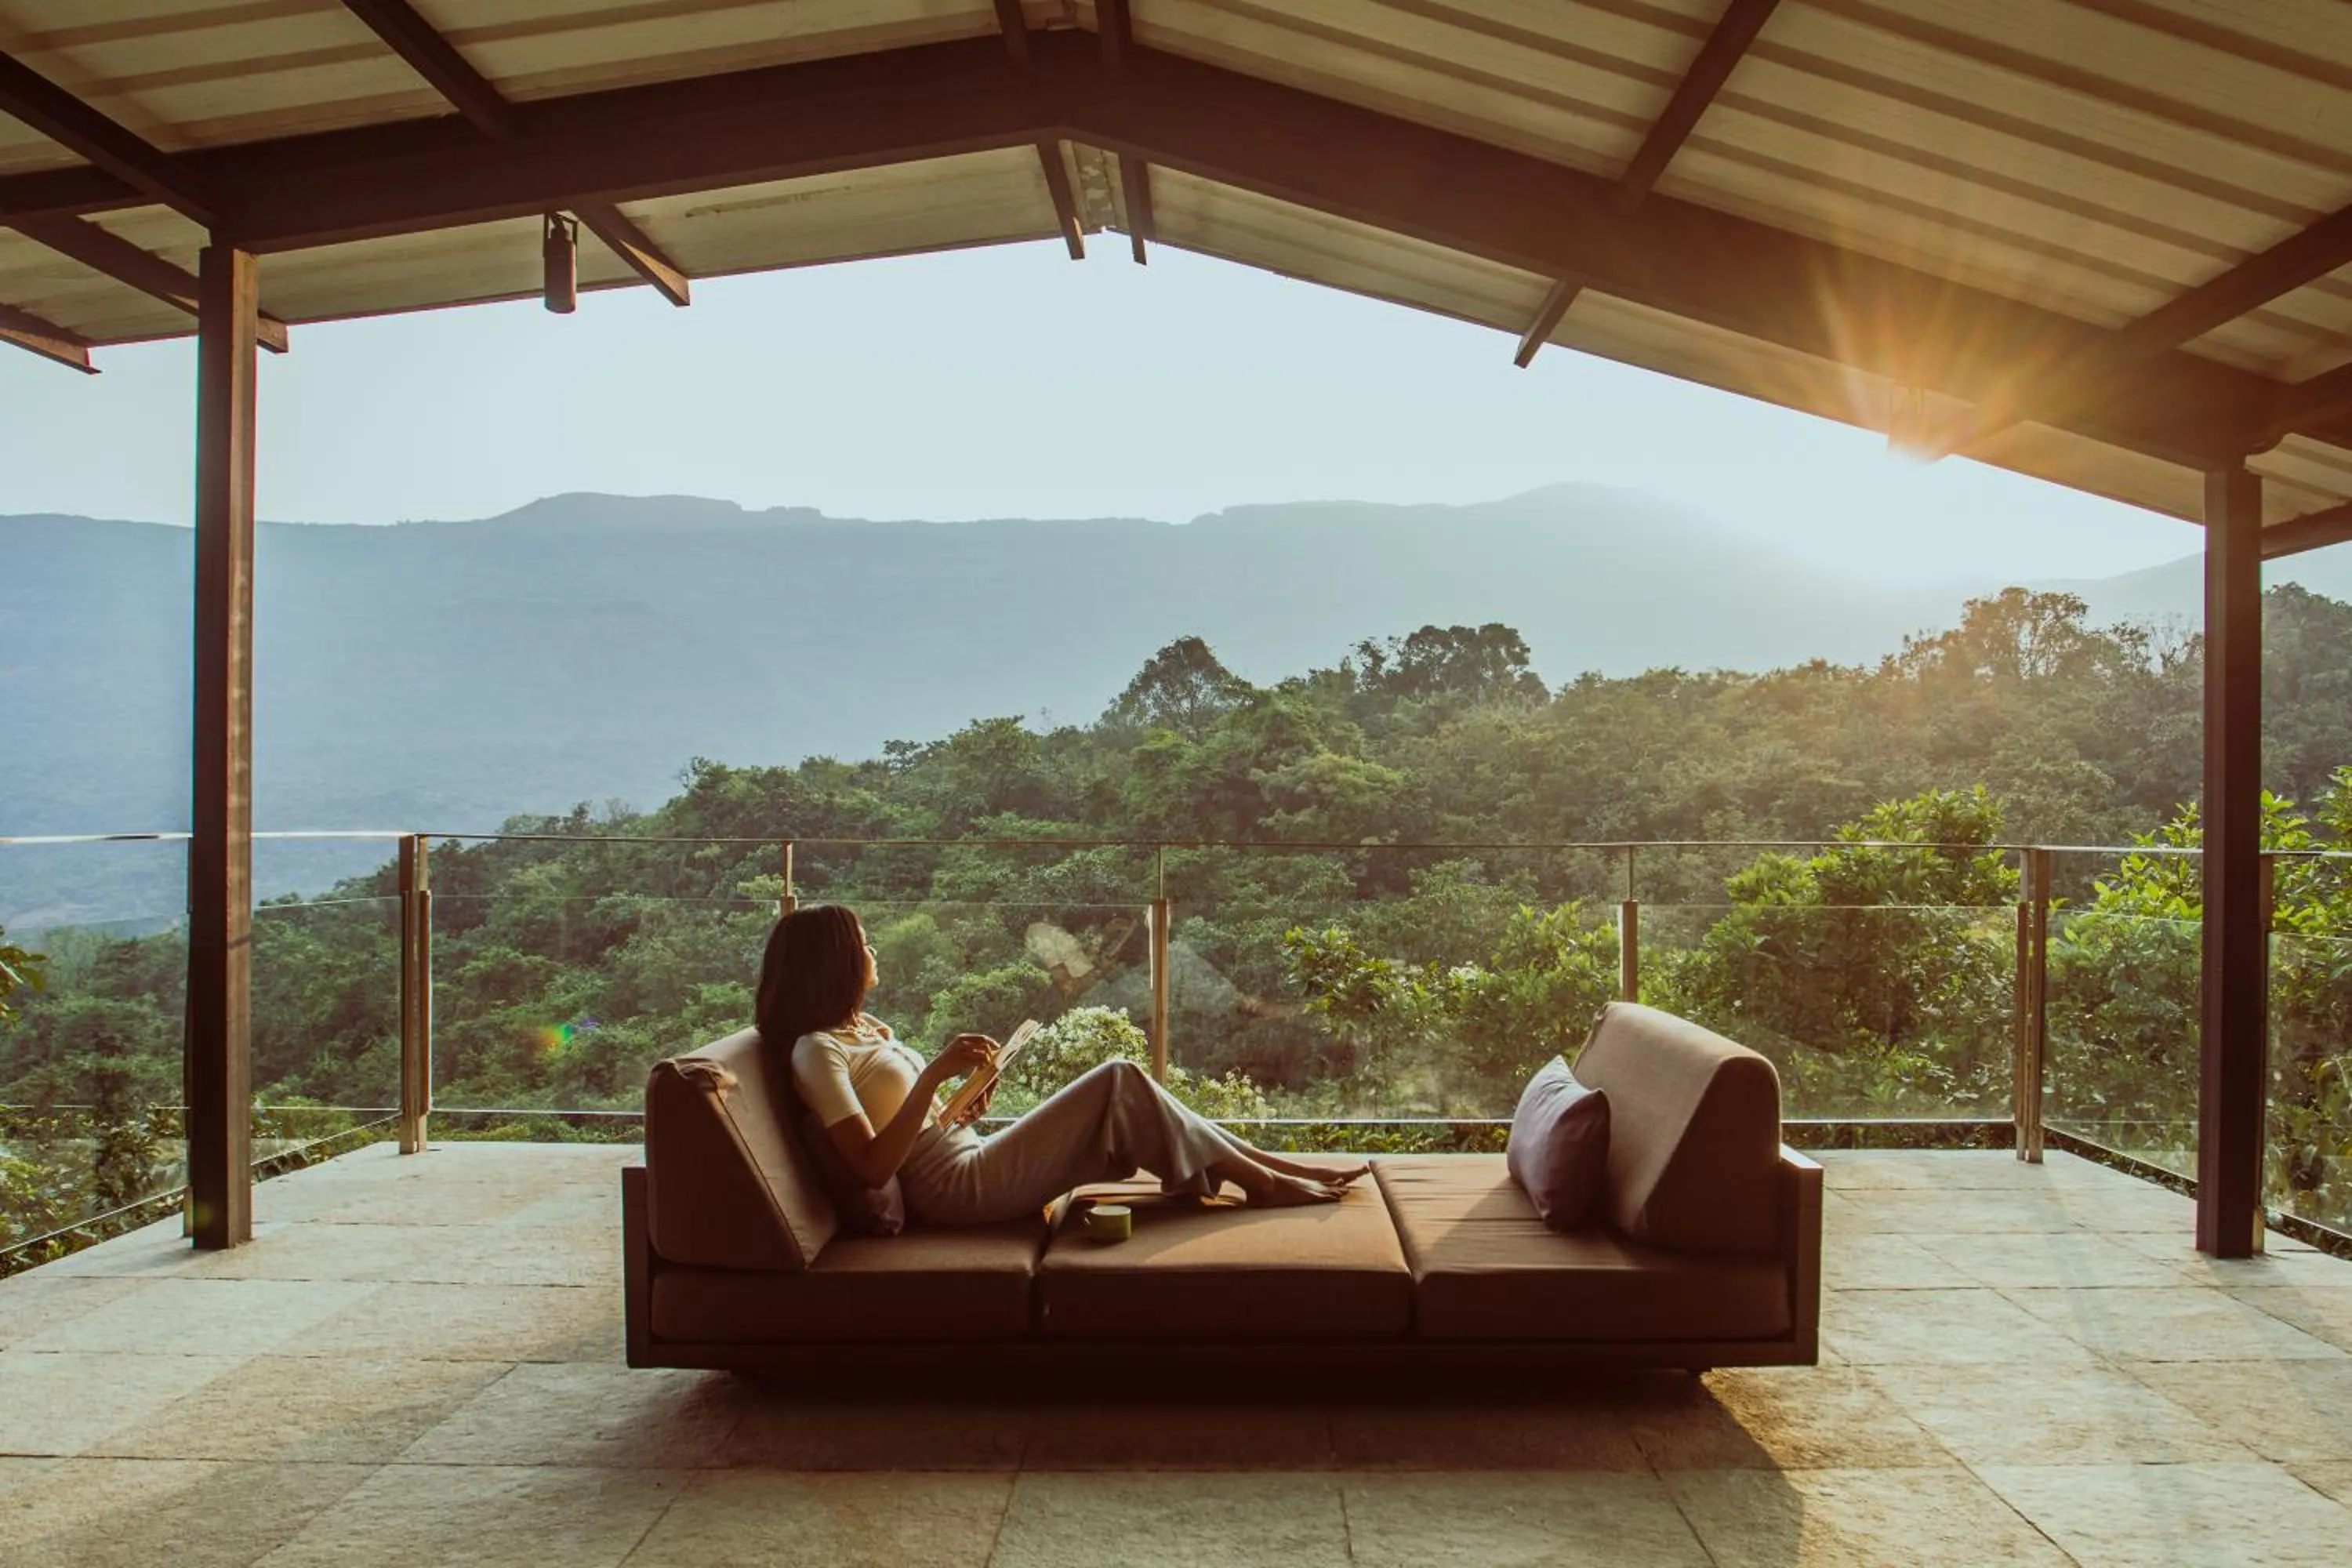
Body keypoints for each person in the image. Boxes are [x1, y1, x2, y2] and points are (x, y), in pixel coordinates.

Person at [756, 903, 1367, 1225]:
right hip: (954, 1190)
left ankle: (1265, 1167)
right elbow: (868, 1167)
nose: (873, 950)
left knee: (1122, 1079)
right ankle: (1261, 1180)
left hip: (962, 1150)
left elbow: (918, 1124)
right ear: (833, 963)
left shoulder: (861, 1030)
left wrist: (962, 1101)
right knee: (1119, 1077)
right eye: (862, 943)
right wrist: (935, 1077)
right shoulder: (817, 1050)